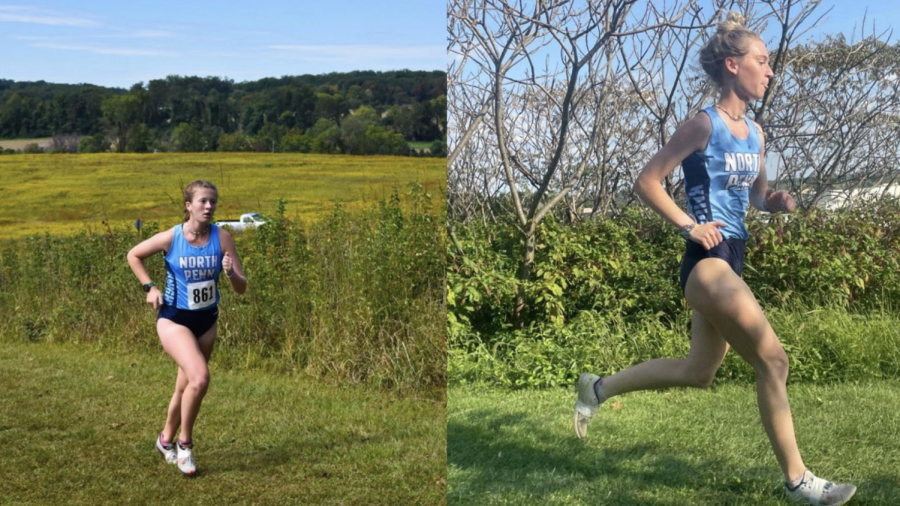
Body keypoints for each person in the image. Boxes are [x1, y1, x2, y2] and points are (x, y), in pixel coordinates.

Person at [572, 12, 856, 506]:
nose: (770, 71)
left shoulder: (756, 133)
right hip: (708, 263)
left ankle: (597, 388)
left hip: (735, 256)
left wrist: (776, 202)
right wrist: (688, 224)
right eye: (762, 62)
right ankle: (799, 482)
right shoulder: (702, 124)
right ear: (733, 64)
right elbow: (647, 181)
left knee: (698, 372)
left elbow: (754, 197)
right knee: (774, 360)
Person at [127, 180, 247, 476]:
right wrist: (150, 287)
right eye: (203, 201)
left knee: (185, 386)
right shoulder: (172, 237)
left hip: (206, 321)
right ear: (188, 205)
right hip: (174, 319)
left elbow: (241, 288)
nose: (209, 207)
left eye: (213, 202)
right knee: (200, 378)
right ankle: (185, 445)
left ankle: (165, 440)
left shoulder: (222, 237)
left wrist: (230, 274)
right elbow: (134, 254)